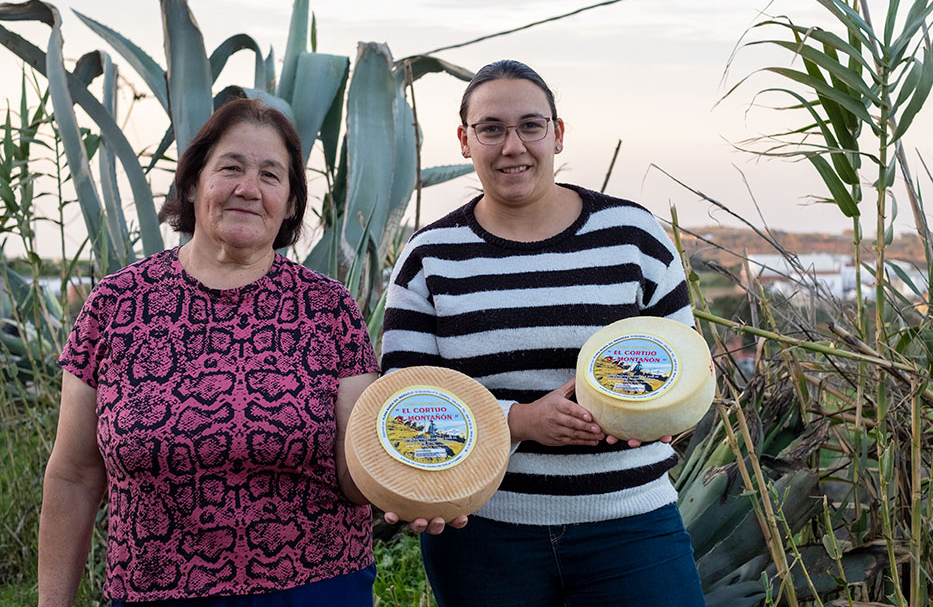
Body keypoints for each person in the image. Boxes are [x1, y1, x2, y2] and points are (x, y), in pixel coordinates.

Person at [380, 60, 706, 606]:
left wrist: (658, 415)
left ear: (557, 134)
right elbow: (407, 401)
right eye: (491, 129)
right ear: (465, 140)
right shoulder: (429, 258)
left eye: (531, 126)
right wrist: (520, 421)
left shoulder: (633, 237)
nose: (514, 146)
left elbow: (685, 365)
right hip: (482, 533)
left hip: (630, 524)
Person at [39, 97, 383, 606]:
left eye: (271, 175)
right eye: (231, 168)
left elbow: (357, 475)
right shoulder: (116, 304)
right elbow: (74, 475)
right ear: (194, 181)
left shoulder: (329, 310)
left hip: (313, 588)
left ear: (290, 203)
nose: (248, 188)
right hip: (153, 590)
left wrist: (416, 483)